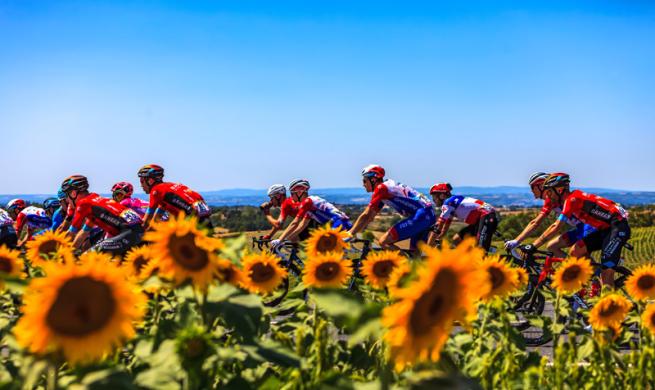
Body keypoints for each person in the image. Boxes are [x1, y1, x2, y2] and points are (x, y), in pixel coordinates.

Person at [529, 173, 630, 288]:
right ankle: (595, 280)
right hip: (605, 229)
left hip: (617, 228)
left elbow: (556, 226)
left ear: (560, 190)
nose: (548, 196)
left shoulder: (572, 199)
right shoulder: (569, 199)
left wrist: (534, 246)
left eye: (550, 192)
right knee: (575, 251)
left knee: (606, 275)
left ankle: (608, 301)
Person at [504, 172, 595, 258]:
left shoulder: (550, 200)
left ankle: (586, 271)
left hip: (589, 227)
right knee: (552, 246)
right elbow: (535, 223)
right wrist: (517, 240)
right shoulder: (552, 199)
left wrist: (518, 241)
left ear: (540, 186)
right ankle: (573, 269)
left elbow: (536, 223)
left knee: (579, 255)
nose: (531, 191)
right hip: (580, 228)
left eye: (532, 187)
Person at [348, 165, 436, 252]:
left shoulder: (381, 188)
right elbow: (370, 217)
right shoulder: (386, 188)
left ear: (373, 179)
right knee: (416, 254)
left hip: (421, 216)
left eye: (364, 181)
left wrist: (350, 233)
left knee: (384, 242)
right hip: (428, 215)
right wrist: (357, 233)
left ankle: (403, 263)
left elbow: (366, 215)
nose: (363, 184)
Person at [61, 175, 144, 256]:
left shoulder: (83, 203)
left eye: (66, 196)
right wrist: (73, 251)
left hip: (128, 233)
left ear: (73, 193)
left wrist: (62, 256)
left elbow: (71, 234)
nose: (67, 200)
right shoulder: (95, 201)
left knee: (86, 259)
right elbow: (84, 232)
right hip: (138, 232)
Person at [272, 179, 351, 247]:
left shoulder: (307, 202)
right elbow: (302, 225)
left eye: (292, 194)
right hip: (341, 222)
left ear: (299, 192)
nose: (291, 197)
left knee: (324, 250)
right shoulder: (310, 203)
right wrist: (287, 239)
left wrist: (280, 240)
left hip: (337, 224)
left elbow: (295, 223)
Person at [427, 183, 499, 251]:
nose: (433, 200)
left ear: (442, 196)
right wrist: (439, 238)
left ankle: (483, 249)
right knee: (457, 240)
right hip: (481, 219)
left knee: (480, 250)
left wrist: (428, 247)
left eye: (434, 197)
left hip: (487, 216)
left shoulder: (448, 203)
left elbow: (439, 226)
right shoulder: (452, 202)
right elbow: (446, 224)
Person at [137, 164, 210, 230]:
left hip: (192, 220)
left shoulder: (156, 191)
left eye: (142, 180)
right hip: (203, 216)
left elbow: (146, 222)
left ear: (150, 180)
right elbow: (156, 220)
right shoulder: (169, 187)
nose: (141, 185)